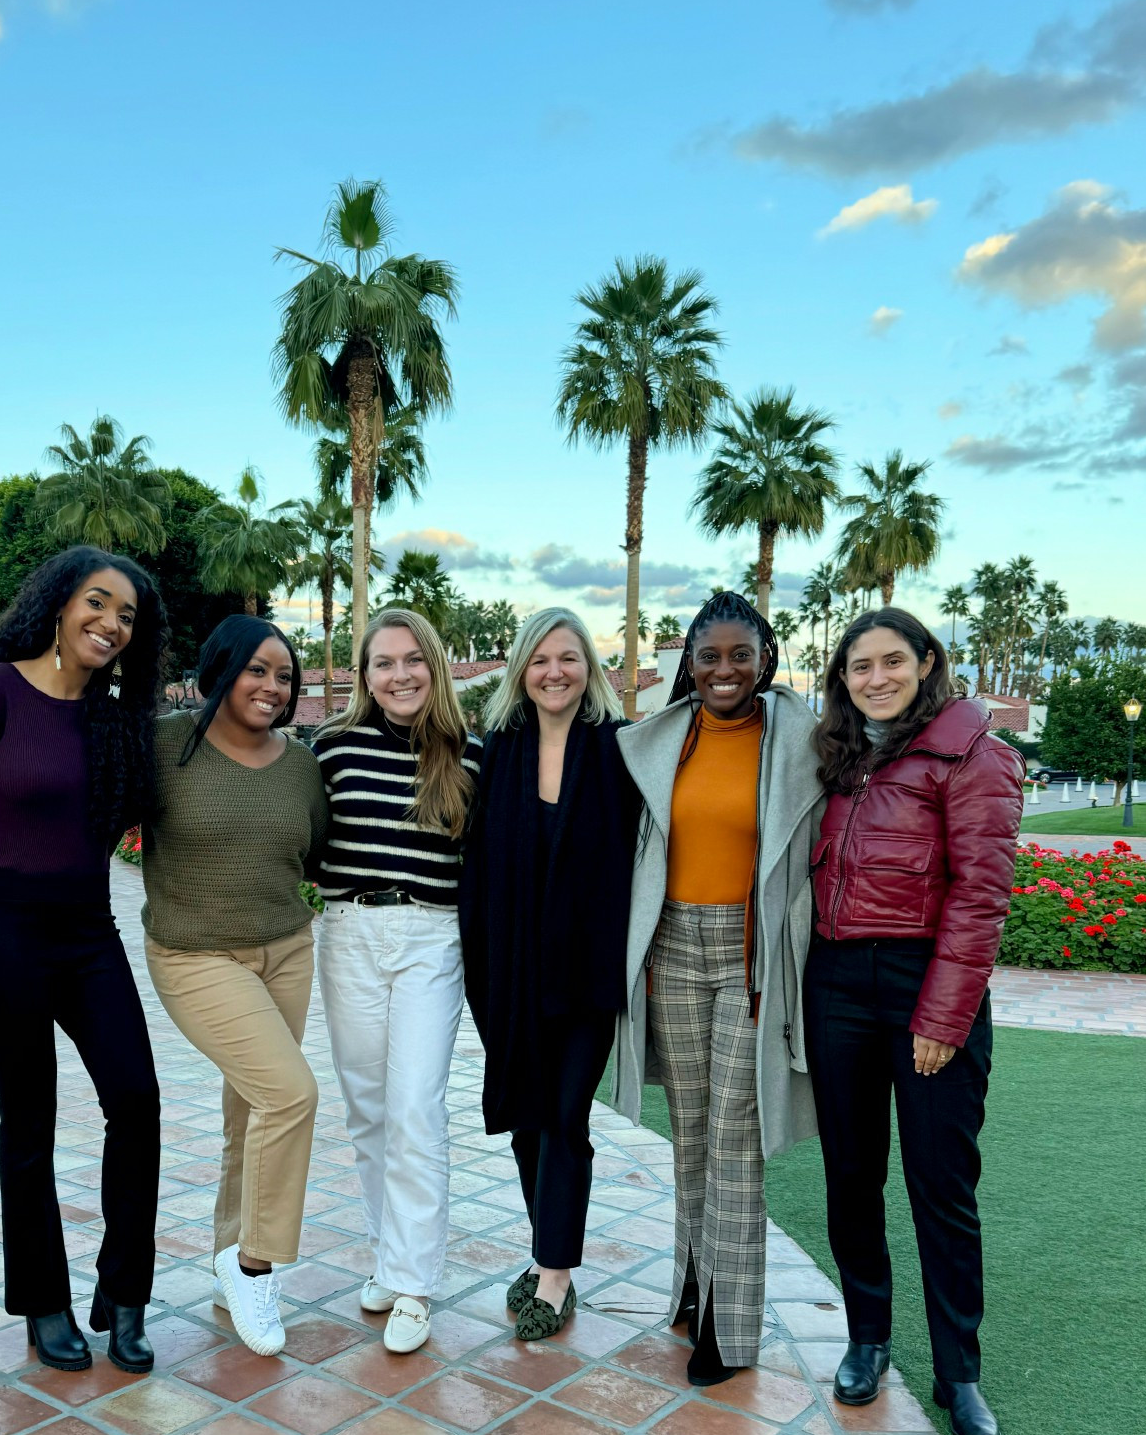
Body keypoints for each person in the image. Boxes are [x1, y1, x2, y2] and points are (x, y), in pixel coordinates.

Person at [0, 547, 167, 1375]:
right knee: (29, 1123)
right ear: (59, 607)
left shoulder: (114, 717)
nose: (110, 623)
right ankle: (44, 1303)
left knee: (136, 1100)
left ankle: (124, 1296)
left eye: (127, 615)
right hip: (7, 936)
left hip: (90, 933)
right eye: (97, 604)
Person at [808, 606, 1022, 1435]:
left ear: (927, 662)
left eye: (893, 661)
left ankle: (958, 1372)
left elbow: (980, 897)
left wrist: (941, 1017)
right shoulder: (840, 756)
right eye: (860, 668)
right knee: (852, 1175)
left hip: (928, 984)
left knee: (942, 1185)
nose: (877, 679)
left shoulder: (975, 753)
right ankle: (868, 1339)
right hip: (837, 986)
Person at [611, 591, 822, 1384]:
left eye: (741, 654)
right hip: (672, 948)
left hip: (751, 954)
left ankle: (728, 1333)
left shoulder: (800, 737)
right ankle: (693, 1287)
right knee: (691, 1133)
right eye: (709, 656)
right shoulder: (662, 739)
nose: (725, 669)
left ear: (766, 658)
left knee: (735, 1137)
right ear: (688, 666)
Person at [142, 617, 327, 1359]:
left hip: (286, 950)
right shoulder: (165, 746)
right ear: (219, 669)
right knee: (290, 1094)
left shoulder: (300, 766)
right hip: (193, 955)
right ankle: (255, 1265)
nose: (272, 687)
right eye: (256, 670)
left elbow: (313, 853)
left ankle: (227, 1257)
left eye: (284, 676)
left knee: (252, 1111)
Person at [461, 607, 637, 1341]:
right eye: (540, 660)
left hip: (589, 972)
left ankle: (556, 1272)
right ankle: (546, 1252)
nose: (554, 672)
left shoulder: (622, 748)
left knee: (565, 1117)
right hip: (508, 969)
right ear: (519, 670)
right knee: (526, 1120)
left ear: (589, 667)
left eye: (568, 658)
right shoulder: (496, 750)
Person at [313, 608, 481, 1353]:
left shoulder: (470, 754)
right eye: (383, 662)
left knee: (416, 1106)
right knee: (369, 1108)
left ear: (435, 666)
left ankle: (413, 1283)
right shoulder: (330, 750)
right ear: (364, 674)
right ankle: (389, 1252)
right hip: (348, 931)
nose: (400, 674)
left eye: (413, 659)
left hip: (430, 939)